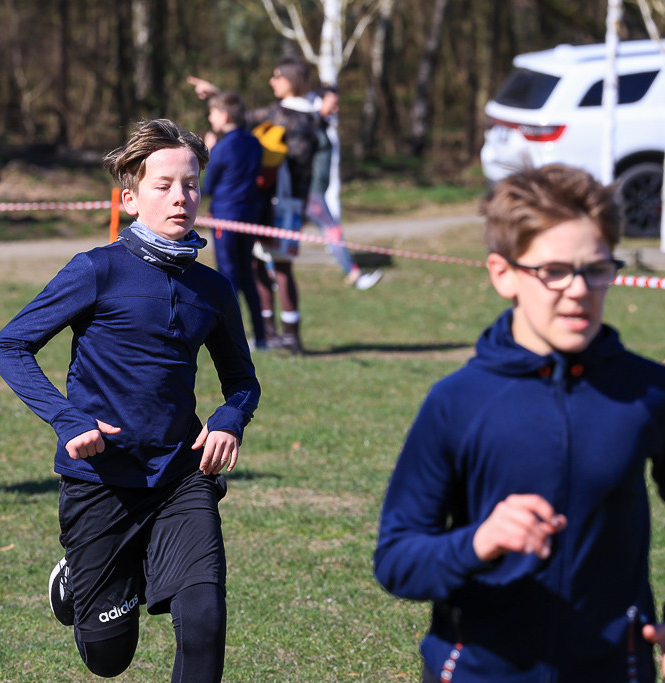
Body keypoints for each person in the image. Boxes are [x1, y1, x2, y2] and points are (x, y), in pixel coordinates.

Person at [0, 119, 260, 682]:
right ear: (131, 199)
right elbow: (10, 346)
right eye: (164, 185)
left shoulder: (212, 289)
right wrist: (67, 420)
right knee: (109, 658)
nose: (181, 197)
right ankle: (80, 576)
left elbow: (242, 380)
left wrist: (230, 418)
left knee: (204, 619)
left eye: (190, 185)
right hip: (102, 479)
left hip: (180, 474)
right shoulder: (97, 270)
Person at [373, 163, 665, 682]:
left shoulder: (647, 391)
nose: (578, 290)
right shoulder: (457, 402)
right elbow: (397, 560)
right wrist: (478, 542)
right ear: (502, 273)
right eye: (553, 271)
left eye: (597, 269)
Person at [189, 56, 319, 354]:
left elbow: (244, 120)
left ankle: (289, 335)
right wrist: (217, 94)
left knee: (278, 266)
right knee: (256, 266)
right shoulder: (278, 117)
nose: (272, 81)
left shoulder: (300, 119)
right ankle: (267, 333)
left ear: (292, 80)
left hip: (282, 204)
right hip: (258, 206)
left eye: (277, 76)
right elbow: (242, 117)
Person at [201, 90, 267, 350]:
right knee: (247, 275)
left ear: (225, 116)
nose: (209, 118)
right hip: (248, 217)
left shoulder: (222, 147)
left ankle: (234, 339)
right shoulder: (254, 143)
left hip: (225, 219)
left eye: (213, 113)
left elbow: (208, 186)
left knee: (228, 277)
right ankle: (261, 337)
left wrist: (209, 152)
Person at [306, 86, 382, 290]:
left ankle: (268, 272)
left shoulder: (322, 125)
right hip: (310, 193)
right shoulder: (308, 125)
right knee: (333, 231)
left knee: (283, 233)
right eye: (333, 104)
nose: (337, 109)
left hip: (316, 192)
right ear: (318, 102)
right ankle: (355, 275)